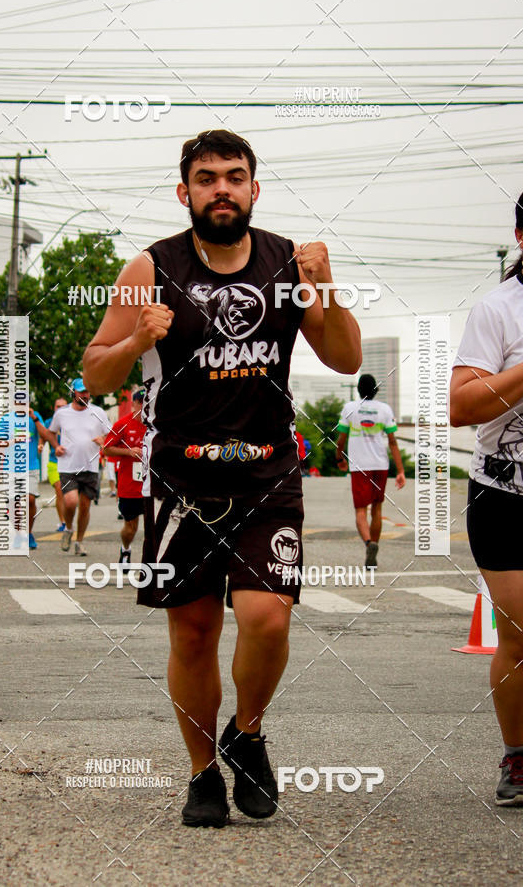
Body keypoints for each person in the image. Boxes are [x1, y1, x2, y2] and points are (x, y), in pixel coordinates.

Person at [83, 129, 361, 828]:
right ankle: (202, 772)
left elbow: (345, 359)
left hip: (268, 469)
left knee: (267, 618)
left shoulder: (288, 261)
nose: (222, 189)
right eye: (206, 179)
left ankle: (248, 732)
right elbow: (95, 372)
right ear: (185, 192)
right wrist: (137, 339)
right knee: (194, 632)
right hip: (183, 477)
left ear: (254, 188)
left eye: (234, 177)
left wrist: (324, 286)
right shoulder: (150, 267)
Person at [450, 189, 523, 806]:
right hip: (506, 493)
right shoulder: (498, 309)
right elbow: (461, 406)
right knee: (521, 634)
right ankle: (518, 758)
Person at [336, 374, 405, 568]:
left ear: (358, 390)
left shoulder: (350, 408)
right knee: (377, 509)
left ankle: (368, 544)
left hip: (359, 466)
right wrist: (400, 471)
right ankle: (374, 544)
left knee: (360, 511)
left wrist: (340, 459)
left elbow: (341, 440)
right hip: (380, 465)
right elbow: (392, 442)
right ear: (375, 390)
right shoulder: (385, 409)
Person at [44, 378, 111, 556]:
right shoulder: (62, 414)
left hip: (91, 466)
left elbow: (111, 434)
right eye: (81, 392)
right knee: (71, 501)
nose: (84, 395)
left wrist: (103, 440)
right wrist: (56, 446)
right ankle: (68, 528)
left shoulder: (98, 412)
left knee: (85, 506)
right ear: (73, 393)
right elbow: (50, 432)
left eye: (87, 392)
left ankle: (79, 542)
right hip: (68, 466)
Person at [103, 389, 146, 564]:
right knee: (131, 528)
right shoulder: (123, 424)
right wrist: (128, 452)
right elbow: (106, 449)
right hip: (130, 485)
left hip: (152, 485)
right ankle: (126, 549)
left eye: (148, 401)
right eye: (141, 402)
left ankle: (153, 562)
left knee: (155, 528)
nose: (144, 405)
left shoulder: (157, 424)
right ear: (134, 404)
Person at [0, 406, 45, 550]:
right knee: (12, 504)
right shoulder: (6, 419)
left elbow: (44, 434)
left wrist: (34, 419)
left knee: (30, 500)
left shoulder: (35, 416)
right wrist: (14, 441)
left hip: (31, 466)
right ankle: (18, 533)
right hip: (11, 468)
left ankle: (29, 533)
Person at [40, 397, 67, 531]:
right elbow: (43, 437)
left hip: (70, 463)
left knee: (70, 494)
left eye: (63, 406)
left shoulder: (73, 420)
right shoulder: (49, 422)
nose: (60, 409)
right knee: (59, 489)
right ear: (54, 408)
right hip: (54, 462)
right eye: (58, 406)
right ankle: (63, 522)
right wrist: (40, 445)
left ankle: (69, 519)